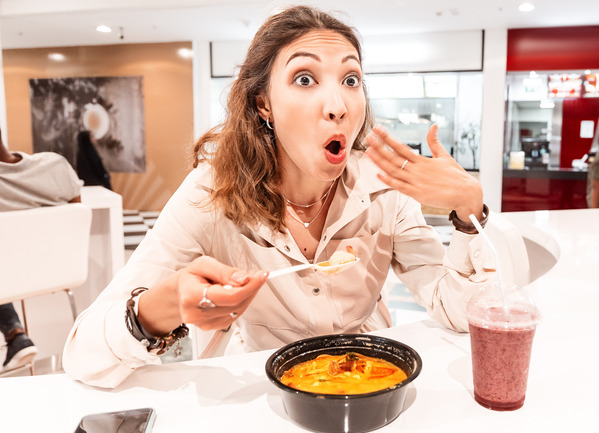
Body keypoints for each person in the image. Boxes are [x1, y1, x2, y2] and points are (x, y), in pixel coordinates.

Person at [63, 5, 493, 389]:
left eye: (350, 79)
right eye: (305, 79)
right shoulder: (213, 192)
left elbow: (459, 311)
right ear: (264, 104)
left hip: (368, 377)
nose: (337, 104)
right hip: (255, 387)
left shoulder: (382, 186)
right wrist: (160, 308)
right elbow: (83, 357)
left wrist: (469, 212)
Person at [0, 128, 82, 371]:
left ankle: (15, 333)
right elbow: (76, 214)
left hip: (9, 280)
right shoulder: (55, 165)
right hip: (63, 271)